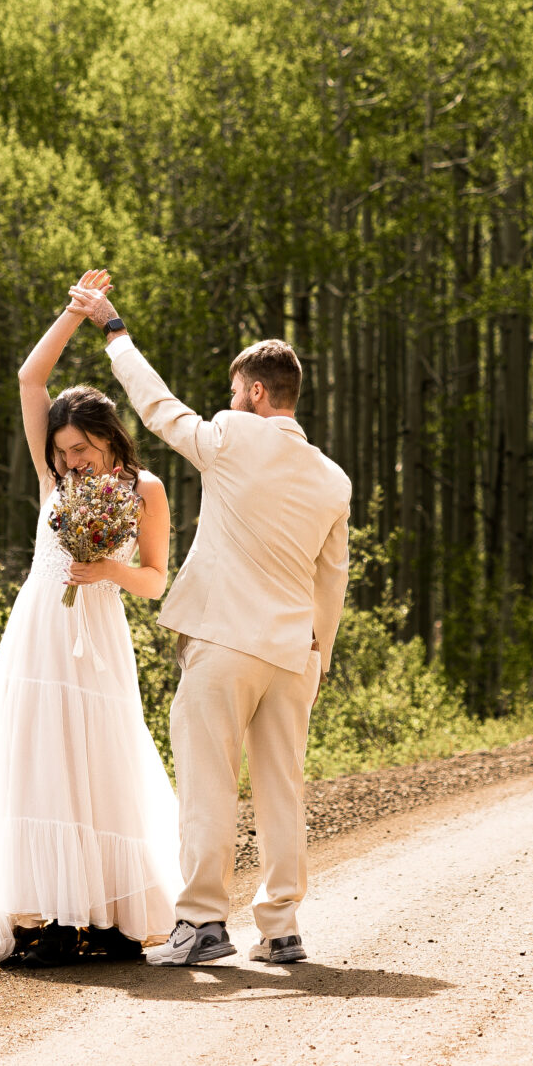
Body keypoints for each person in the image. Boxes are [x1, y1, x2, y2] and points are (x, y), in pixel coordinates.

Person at [68, 278, 352, 968]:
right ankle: (281, 928)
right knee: (281, 788)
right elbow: (331, 580)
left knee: (207, 783)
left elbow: (159, 408)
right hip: (292, 653)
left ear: (254, 393)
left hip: (225, 643)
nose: (228, 404)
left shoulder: (231, 436)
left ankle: (201, 922)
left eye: (233, 392)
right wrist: (318, 657)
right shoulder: (331, 478)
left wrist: (114, 330)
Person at [0, 271, 180, 974]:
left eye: (80, 449)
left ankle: (114, 922)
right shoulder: (55, 484)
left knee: (103, 763)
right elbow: (31, 379)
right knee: (42, 766)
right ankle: (54, 918)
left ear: (107, 438)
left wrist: (106, 570)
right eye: (61, 453)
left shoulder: (144, 490)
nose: (69, 461)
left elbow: (154, 581)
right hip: (40, 635)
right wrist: (72, 314)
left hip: (100, 637)